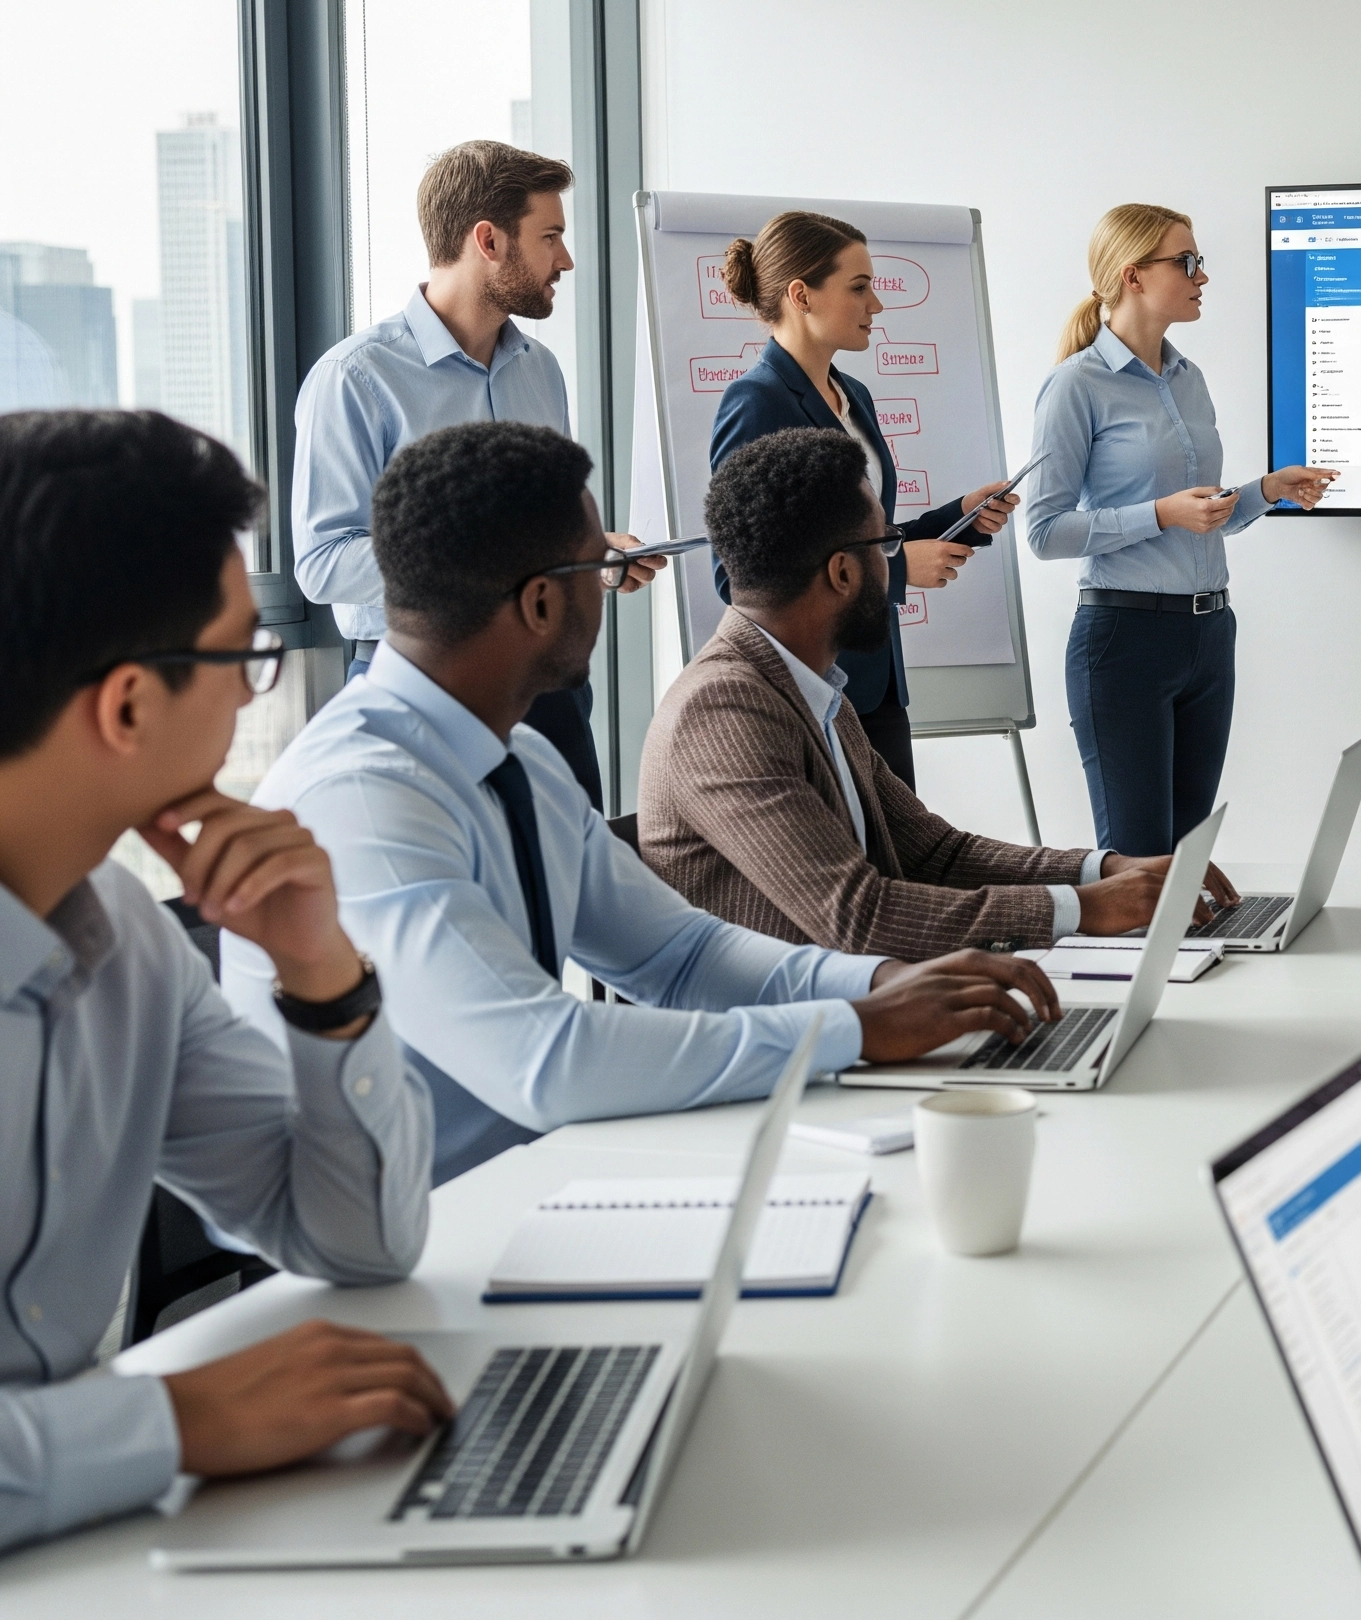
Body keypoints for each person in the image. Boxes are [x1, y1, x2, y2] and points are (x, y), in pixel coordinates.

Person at [226, 423, 1060, 1186]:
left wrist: (887, 983)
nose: (611, 592)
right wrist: (853, 1027)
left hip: (543, 1181)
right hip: (431, 1237)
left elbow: (681, 956)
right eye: (599, 569)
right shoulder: (363, 799)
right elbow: (546, 1060)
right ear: (542, 602)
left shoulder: (518, 759)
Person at [0, 409, 447, 1553]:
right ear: (129, 704)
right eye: (243, 656)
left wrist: (320, 972)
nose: (255, 698)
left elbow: (356, 1243)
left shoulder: (128, 951)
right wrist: (170, 1419)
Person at [642, 427, 1241, 957]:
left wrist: (1105, 871)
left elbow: (936, 855)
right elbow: (858, 916)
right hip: (786, 1054)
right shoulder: (721, 711)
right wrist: (1086, 910)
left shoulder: (813, 688)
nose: (894, 566)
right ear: (842, 573)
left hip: (857, 1012)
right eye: (887, 546)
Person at [293, 140, 661, 810]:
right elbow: (322, 564)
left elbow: (536, 531)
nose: (566, 259)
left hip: (548, 685)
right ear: (487, 240)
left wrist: (590, 554)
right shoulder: (357, 379)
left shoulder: (539, 370)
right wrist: (489, 562)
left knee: (576, 898)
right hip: (419, 687)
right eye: (550, 236)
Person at [1021, 204, 1338, 855]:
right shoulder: (1075, 386)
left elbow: (1203, 516)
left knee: (1188, 863)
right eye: (1187, 261)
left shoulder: (1187, 381)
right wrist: (1162, 512)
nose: (1203, 276)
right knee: (1139, 867)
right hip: (1125, 640)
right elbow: (1045, 532)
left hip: (1209, 635)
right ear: (1133, 276)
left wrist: (1265, 492)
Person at [707, 210, 1019, 790]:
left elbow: (866, 532)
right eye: (859, 287)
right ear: (802, 295)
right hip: (810, 688)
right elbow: (739, 574)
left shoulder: (854, 394)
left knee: (901, 858)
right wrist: (896, 572)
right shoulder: (756, 403)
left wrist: (960, 518)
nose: (876, 305)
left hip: (876, 684)